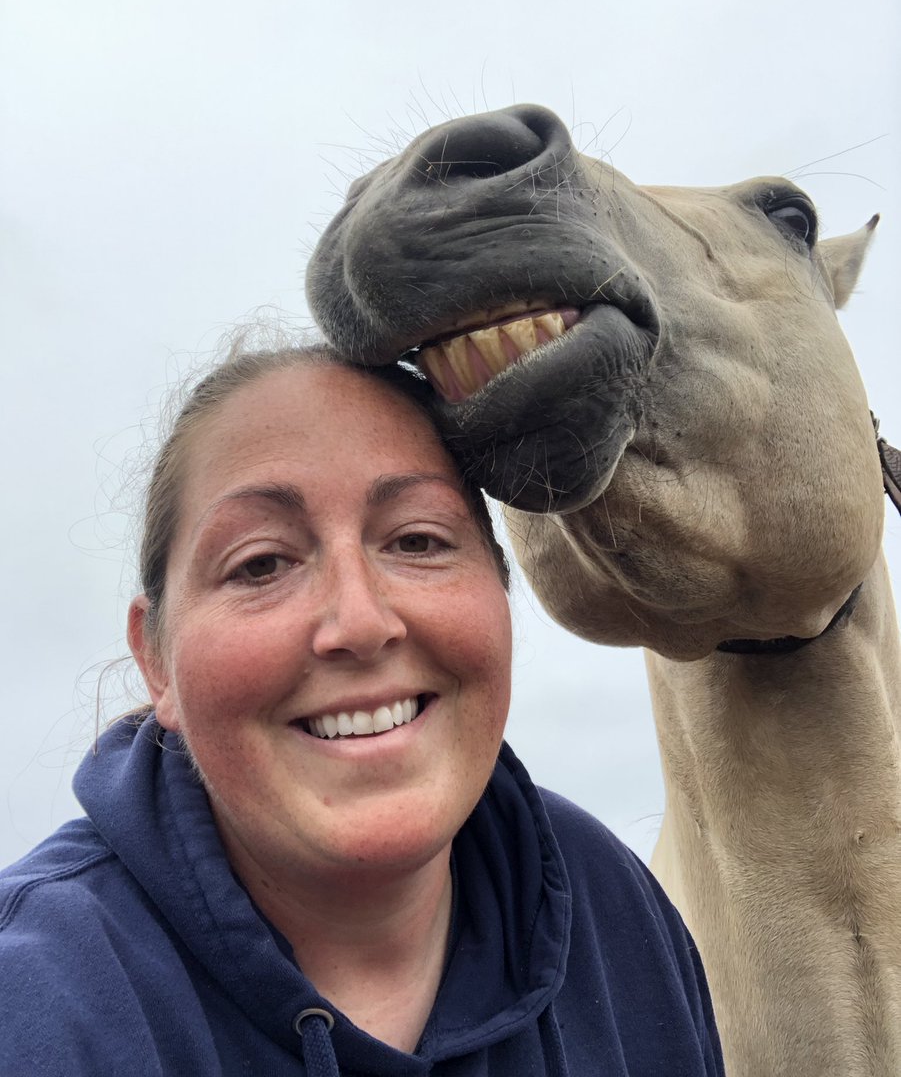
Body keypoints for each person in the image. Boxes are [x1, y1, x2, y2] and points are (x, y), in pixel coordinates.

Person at [0, 343, 724, 1076]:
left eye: (417, 540)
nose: (360, 622)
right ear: (157, 661)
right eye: (260, 563)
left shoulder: (608, 906)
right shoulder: (34, 1000)